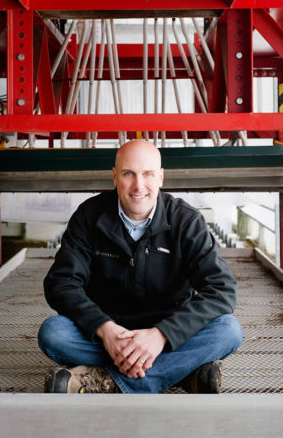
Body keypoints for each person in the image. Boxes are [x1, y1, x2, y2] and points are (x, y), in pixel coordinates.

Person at [38, 139, 243, 394]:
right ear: (114, 176)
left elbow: (222, 289)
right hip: (110, 335)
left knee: (228, 330)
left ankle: (109, 381)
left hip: (168, 334)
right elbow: (61, 282)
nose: (138, 186)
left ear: (160, 177)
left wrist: (161, 335)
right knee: (54, 333)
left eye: (147, 174)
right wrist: (106, 330)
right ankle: (179, 372)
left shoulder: (186, 221)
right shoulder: (89, 216)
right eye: (128, 174)